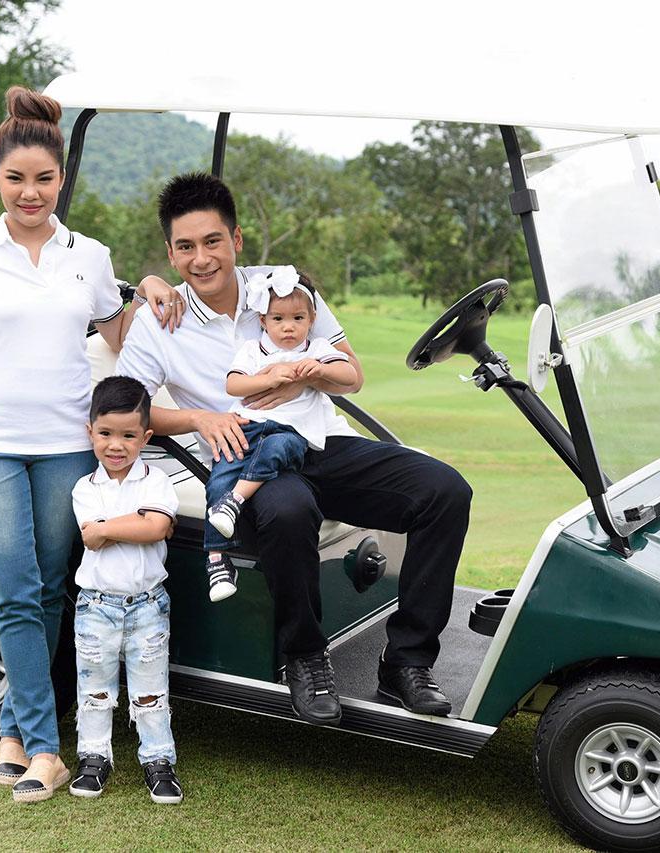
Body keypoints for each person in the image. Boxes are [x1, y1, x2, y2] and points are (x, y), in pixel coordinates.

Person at [116, 172, 472, 726]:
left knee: (444, 491)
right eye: (185, 247)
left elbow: (351, 374)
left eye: (212, 241)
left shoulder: (285, 290)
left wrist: (307, 376)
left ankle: (407, 662)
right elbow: (129, 411)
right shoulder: (159, 320)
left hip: (320, 442)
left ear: (236, 239)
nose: (201, 259)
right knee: (289, 510)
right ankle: (305, 657)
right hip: (247, 459)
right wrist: (199, 417)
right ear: (170, 252)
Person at [0, 85, 183, 804]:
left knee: (46, 590)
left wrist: (149, 285)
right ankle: (47, 749)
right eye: (16, 178)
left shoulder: (90, 256)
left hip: (67, 446)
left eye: (43, 178)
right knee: (14, 589)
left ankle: (14, 732)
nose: (30, 192)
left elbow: (126, 340)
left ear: (61, 179)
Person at [203, 267, 358, 603]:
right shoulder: (253, 350)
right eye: (278, 319)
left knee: (277, 449)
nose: (288, 327)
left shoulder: (315, 349)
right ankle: (217, 559)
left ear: (312, 320)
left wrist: (320, 370)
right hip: (248, 425)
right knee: (219, 474)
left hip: (291, 429)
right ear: (263, 321)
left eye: (298, 318)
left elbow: (349, 374)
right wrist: (268, 379)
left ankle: (236, 499)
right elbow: (234, 384)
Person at [68, 376, 183, 803]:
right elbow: (91, 537)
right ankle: (93, 757)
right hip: (96, 605)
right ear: (90, 432)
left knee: (151, 691)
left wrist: (111, 527)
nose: (116, 446)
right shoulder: (85, 487)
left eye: (128, 436)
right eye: (106, 434)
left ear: (145, 437)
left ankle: (158, 760)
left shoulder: (157, 481)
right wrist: (134, 524)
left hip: (148, 604)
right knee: (94, 689)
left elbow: (156, 526)